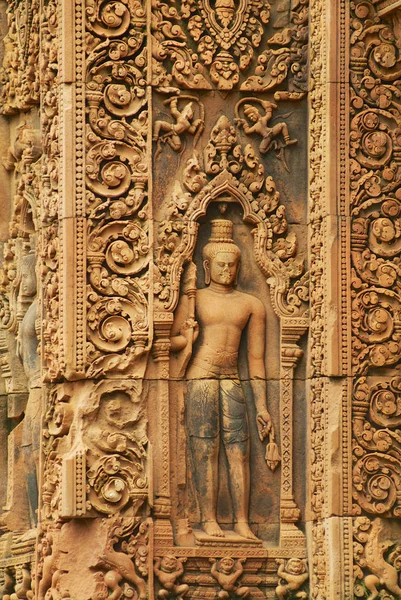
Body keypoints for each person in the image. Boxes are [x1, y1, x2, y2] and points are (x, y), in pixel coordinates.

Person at [171, 220, 273, 540]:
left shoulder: (251, 304)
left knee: (239, 450)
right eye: (220, 265)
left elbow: (255, 359)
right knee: (205, 448)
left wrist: (263, 406)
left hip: (232, 379)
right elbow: (172, 339)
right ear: (207, 266)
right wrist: (188, 337)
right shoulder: (196, 298)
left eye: (232, 265)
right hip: (200, 376)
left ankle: (241, 521)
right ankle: (208, 518)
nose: (227, 270)